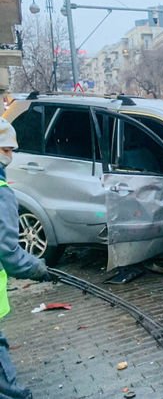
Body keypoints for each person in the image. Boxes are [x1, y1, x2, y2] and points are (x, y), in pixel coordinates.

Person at [0, 117, 51, 398]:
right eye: (6, 149)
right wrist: (36, 267)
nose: (11, 155)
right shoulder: (2, 193)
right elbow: (8, 252)